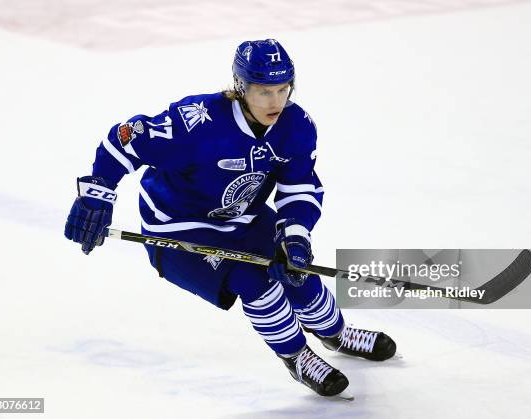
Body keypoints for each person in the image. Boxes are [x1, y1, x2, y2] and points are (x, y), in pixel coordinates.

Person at [64, 39, 396, 398]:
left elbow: (299, 187)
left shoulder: (296, 126)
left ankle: (335, 332)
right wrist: (97, 193)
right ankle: (296, 355)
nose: (276, 101)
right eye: (264, 91)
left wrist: (296, 237)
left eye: (283, 89)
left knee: (299, 271)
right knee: (253, 280)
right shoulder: (196, 123)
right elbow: (125, 140)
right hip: (178, 226)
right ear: (242, 87)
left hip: (244, 219)